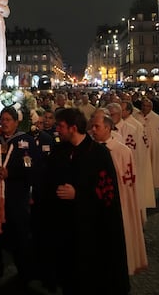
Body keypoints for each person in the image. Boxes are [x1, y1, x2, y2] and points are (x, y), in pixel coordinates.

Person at [44, 108, 129, 294]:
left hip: (90, 232)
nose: (58, 130)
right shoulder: (59, 152)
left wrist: (79, 195)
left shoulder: (98, 154)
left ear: (73, 128)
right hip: (64, 229)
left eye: (61, 126)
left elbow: (107, 193)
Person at [0, 106, 37, 287]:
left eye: (8, 119)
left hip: (15, 198)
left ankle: (24, 272)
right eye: (2, 119)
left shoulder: (25, 141)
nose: (4, 123)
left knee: (19, 237)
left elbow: (31, 166)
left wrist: (11, 173)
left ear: (16, 122)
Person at [89, 113, 148, 276]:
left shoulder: (122, 151)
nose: (93, 130)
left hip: (118, 201)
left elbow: (127, 180)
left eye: (97, 127)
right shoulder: (90, 149)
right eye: (92, 126)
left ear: (108, 128)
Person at [134, 97, 159, 190]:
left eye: (147, 106)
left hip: (152, 147)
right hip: (139, 147)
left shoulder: (157, 118)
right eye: (143, 105)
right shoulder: (136, 116)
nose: (144, 107)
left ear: (151, 107)